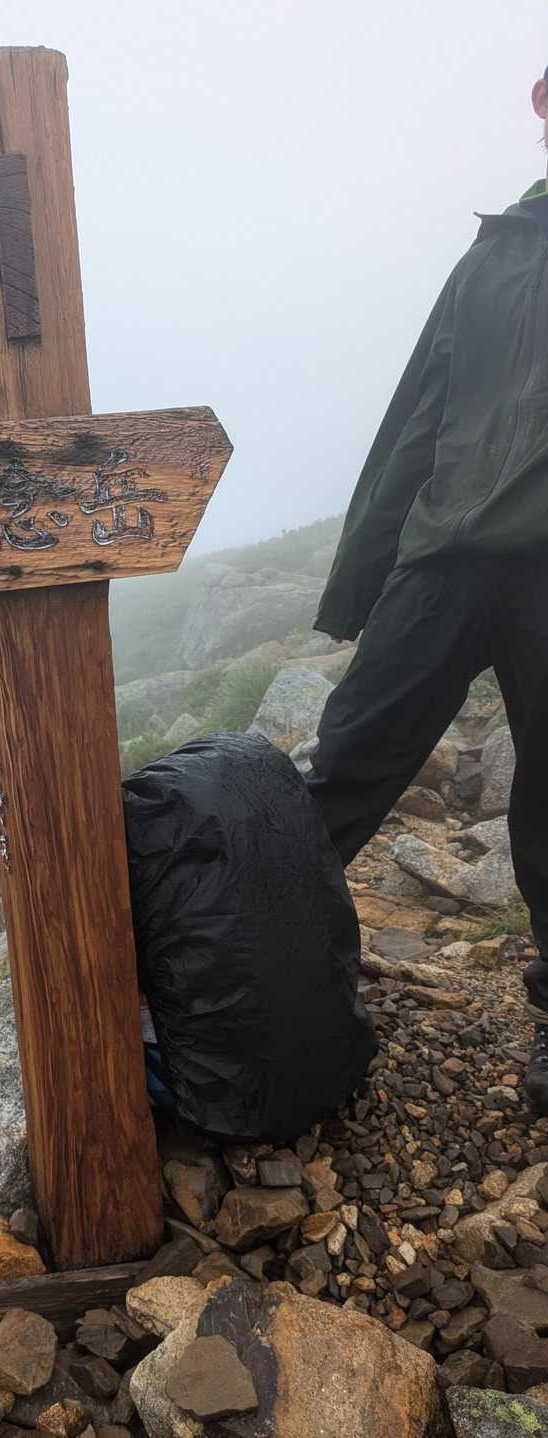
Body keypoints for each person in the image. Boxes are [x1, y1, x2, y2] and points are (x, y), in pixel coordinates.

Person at [307, 66, 548, 1114]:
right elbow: (420, 414)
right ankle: (252, 979)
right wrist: (361, 578)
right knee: (344, 766)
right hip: (445, 555)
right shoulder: (493, 255)